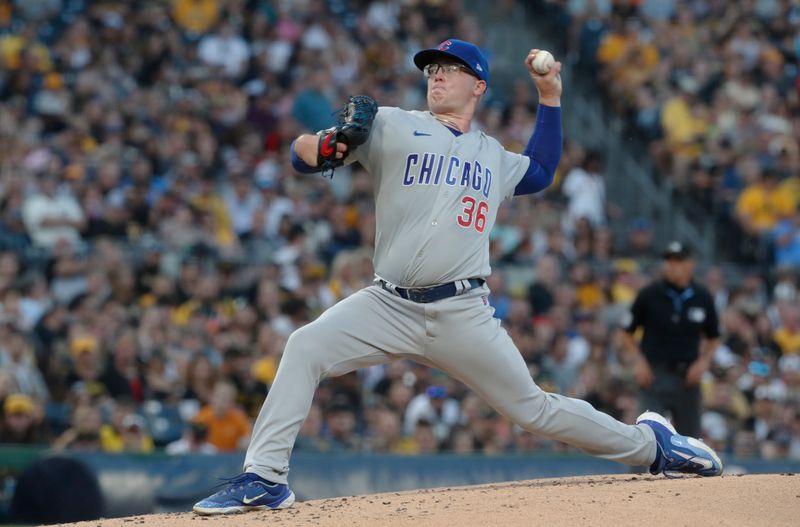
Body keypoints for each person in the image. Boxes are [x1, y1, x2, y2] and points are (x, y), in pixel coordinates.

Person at [193, 40, 722, 516]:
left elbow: (539, 171)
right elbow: (303, 152)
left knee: (533, 409)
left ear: (479, 85)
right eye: (432, 68)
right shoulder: (392, 124)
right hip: (388, 304)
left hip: (461, 311)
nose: (437, 75)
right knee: (304, 346)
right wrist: (325, 148)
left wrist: (550, 96)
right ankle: (265, 478)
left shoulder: (491, 154)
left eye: (451, 68)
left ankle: (653, 446)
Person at [620, 241, 721, 438]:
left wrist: (704, 362)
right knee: (647, 435)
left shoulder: (702, 297)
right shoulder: (649, 294)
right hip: (654, 376)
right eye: (669, 260)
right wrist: (638, 361)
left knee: (690, 439)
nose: (672, 265)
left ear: (690, 264)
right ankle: (636, 471)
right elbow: (626, 332)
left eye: (678, 261)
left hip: (688, 379)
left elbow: (714, 337)